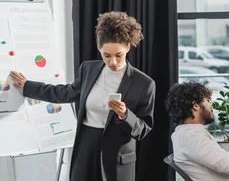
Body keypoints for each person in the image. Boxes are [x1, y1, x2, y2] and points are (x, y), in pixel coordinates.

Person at [10, 12, 154, 181]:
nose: (113, 62)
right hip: (86, 144)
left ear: (128, 47)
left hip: (117, 155)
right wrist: (28, 86)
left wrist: (125, 114)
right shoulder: (88, 69)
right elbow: (65, 93)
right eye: (107, 55)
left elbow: (143, 129)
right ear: (99, 48)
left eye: (118, 55)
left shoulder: (144, 83)